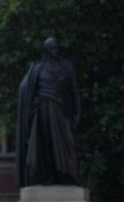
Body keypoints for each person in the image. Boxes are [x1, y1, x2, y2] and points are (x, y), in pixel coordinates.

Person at [16, 37, 81, 187]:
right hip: (43, 110)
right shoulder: (37, 68)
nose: (56, 50)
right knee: (45, 144)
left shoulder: (67, 66)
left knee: (68, 143)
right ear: (46, 50)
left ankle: (69, 175)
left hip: (62, 110)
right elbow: (25, 90)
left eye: (57, 47)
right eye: (52, 48)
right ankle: (46, 176)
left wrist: (77, 114)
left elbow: (75, 91)